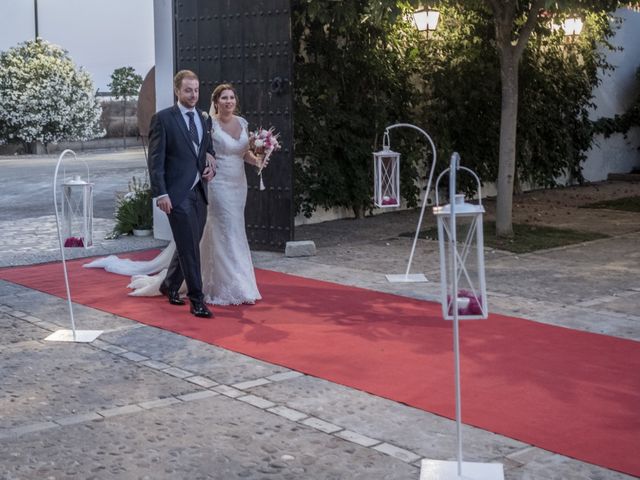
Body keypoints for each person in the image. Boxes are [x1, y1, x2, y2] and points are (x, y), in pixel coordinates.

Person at [85, 83, 262, 306]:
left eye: (232, 97)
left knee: (234, 230)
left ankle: (236, 280)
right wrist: (202, 166)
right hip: (217, 186)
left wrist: (257, 159)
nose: (229, 101)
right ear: (216, 101)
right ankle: (224, 285)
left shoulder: (240, 123)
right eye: (224, 98)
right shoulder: (209, 123)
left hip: (239, 185)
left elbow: (240, 151)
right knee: (223, 230)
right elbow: (194, 151)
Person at [147, 69, 215, 318]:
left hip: (200, 191)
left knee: (190, 244)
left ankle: (169, 284)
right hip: (176, 194)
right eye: (188, 90)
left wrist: (210, 167)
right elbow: (155, 162)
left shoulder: (204, 118)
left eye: (196, 90)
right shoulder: (163, 119)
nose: (194, 95)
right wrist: (161, 194)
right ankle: (197, 300)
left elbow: (207, 150)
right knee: (190, 249)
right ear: (177, 90)